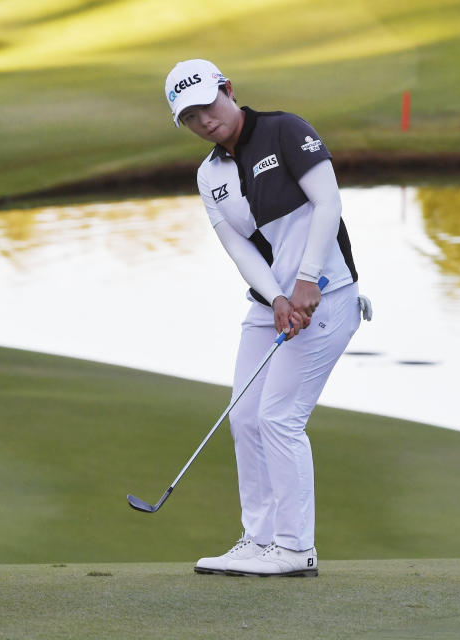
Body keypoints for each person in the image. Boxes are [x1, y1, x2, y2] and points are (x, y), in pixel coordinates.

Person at [164, 59, 369, 577]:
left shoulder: (285, 131)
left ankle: (295, 548)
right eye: (191, 117)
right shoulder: (209, 174)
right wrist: (277, 297)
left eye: (209, 106)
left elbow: (328, 204)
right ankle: (259, 540)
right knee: (246, 417)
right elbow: (240, 249)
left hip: (330, 294)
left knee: (280, 418)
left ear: (228, 90)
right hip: (271, 305)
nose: (205, 121)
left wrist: (306, 280)